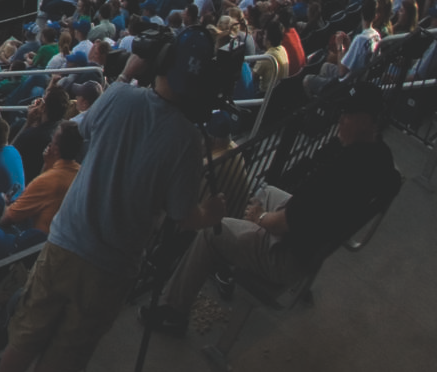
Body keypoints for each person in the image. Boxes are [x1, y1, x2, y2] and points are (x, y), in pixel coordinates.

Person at [0, 37, 227, 372]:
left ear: (160, 64)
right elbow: (182, 216)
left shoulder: (120, 98)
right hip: (113, 265)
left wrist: (126, 77)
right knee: (65, 345)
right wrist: (210, 214)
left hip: (65, 240)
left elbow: (77, 129)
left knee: (28, 329)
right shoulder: (186, 141)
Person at [148, 81, 400, 329]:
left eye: (348, 114)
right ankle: (236, 253)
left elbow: (282, 223)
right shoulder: (382, 157)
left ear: (368, 120)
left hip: (288, 256)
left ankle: (173, 311)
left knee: (211, 232)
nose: (340, 119)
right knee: (267, 192)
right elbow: (316, 207)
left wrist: (260, 218)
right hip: (315, 237)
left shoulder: (336, 175)